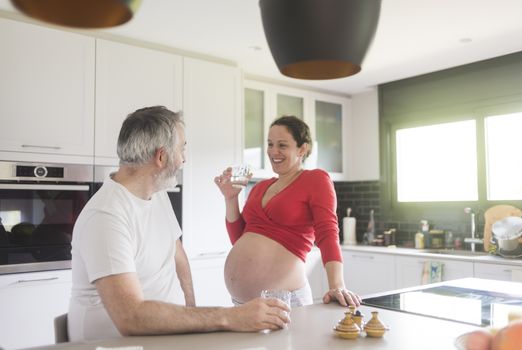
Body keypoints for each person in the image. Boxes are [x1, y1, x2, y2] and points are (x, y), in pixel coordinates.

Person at [68, 106, 290, 341]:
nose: (184, 159)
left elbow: (178, 258)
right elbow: (130, 317)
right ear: (161, 157)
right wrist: (230, 317)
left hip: (165, 337)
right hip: (115, 344)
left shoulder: (157, 194)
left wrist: (192, 317)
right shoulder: (106, 216)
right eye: (182, 148)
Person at [215, 115, 361, 307]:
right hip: (243, 304)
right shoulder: (260, 187)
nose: (273, 151)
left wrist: (337, 285)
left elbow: (327, 233)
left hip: (286, 302)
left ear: (302, 149)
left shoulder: (316, 179)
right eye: (270, 144)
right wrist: (231, 198)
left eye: (282, 145)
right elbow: (240, 239)